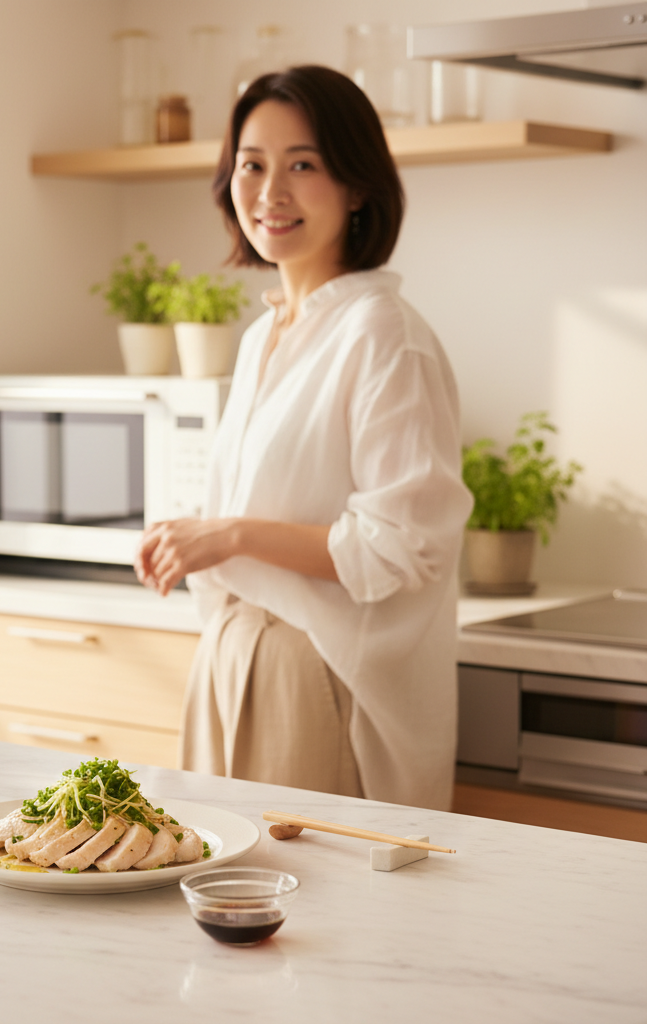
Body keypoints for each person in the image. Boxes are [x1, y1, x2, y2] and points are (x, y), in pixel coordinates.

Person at [134, 66, 473, 811]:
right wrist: (197, 536)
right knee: (212, 909)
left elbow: (400, 548)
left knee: (309, 918)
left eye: (303, 165)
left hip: (313, 680)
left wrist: (231, 535)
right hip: (229, 660)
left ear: (356, 187)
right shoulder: (263, 338)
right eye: (252, 165)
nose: (270, 192)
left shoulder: (383, 334)